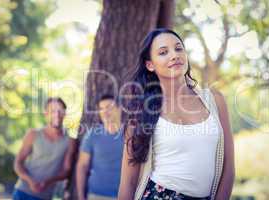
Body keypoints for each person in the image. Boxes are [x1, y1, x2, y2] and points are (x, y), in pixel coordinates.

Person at [118, 28, 235, 200]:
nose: (174, 55)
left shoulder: (215, 101)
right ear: (150, 65)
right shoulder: (141, 113)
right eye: (163, 52)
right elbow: (128, 182)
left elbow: (229, 169)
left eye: (179, 48)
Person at [13, 97, 76, 200]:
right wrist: (30, 181)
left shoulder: (70, 141)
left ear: (65, 114)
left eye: (60, 111)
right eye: (53, 111)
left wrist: (48, 182)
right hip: (22, 192)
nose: (57, 114)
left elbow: (66, 170)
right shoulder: (33, 134)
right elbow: (18, 163)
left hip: (45, 196)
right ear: (46, 114)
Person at [76, 95, 124, 200]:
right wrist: (80, 196)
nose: (104, 112)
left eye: (108, 107)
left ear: (119, 108)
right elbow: (82, 166)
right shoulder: (92, 134)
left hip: (123, 196)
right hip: (96, 195)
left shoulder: (129, 135)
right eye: (101, 109)